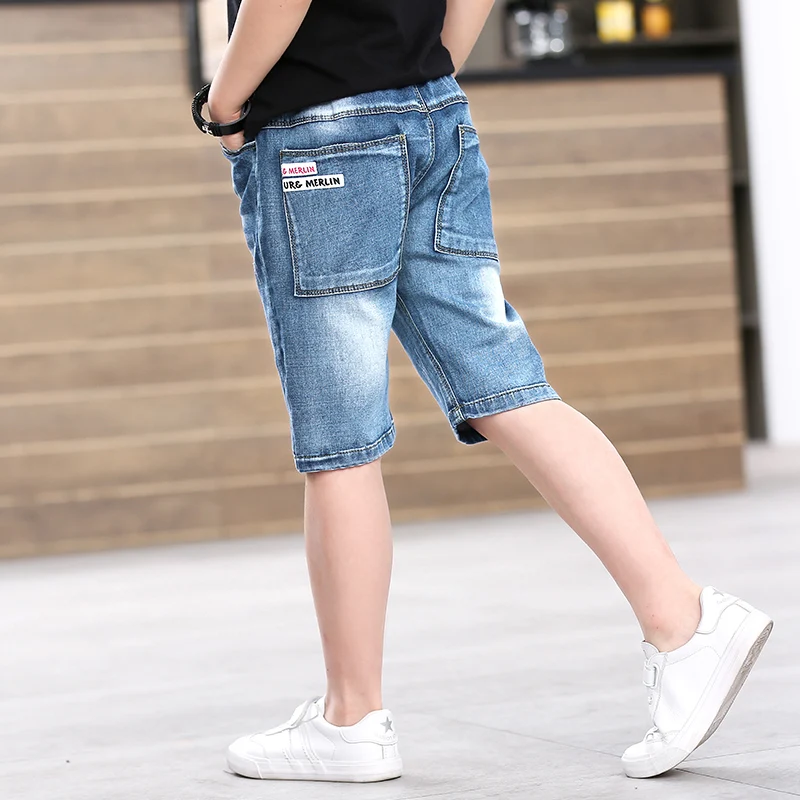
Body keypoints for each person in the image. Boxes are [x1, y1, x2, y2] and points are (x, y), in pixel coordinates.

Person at [204, 0, 773, 783]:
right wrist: (422, 69)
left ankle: (351, 718)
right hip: (433, 112)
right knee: (506, 384)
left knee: (341, 439)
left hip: (322, 132)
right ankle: (683, 619)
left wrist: (225, 103)